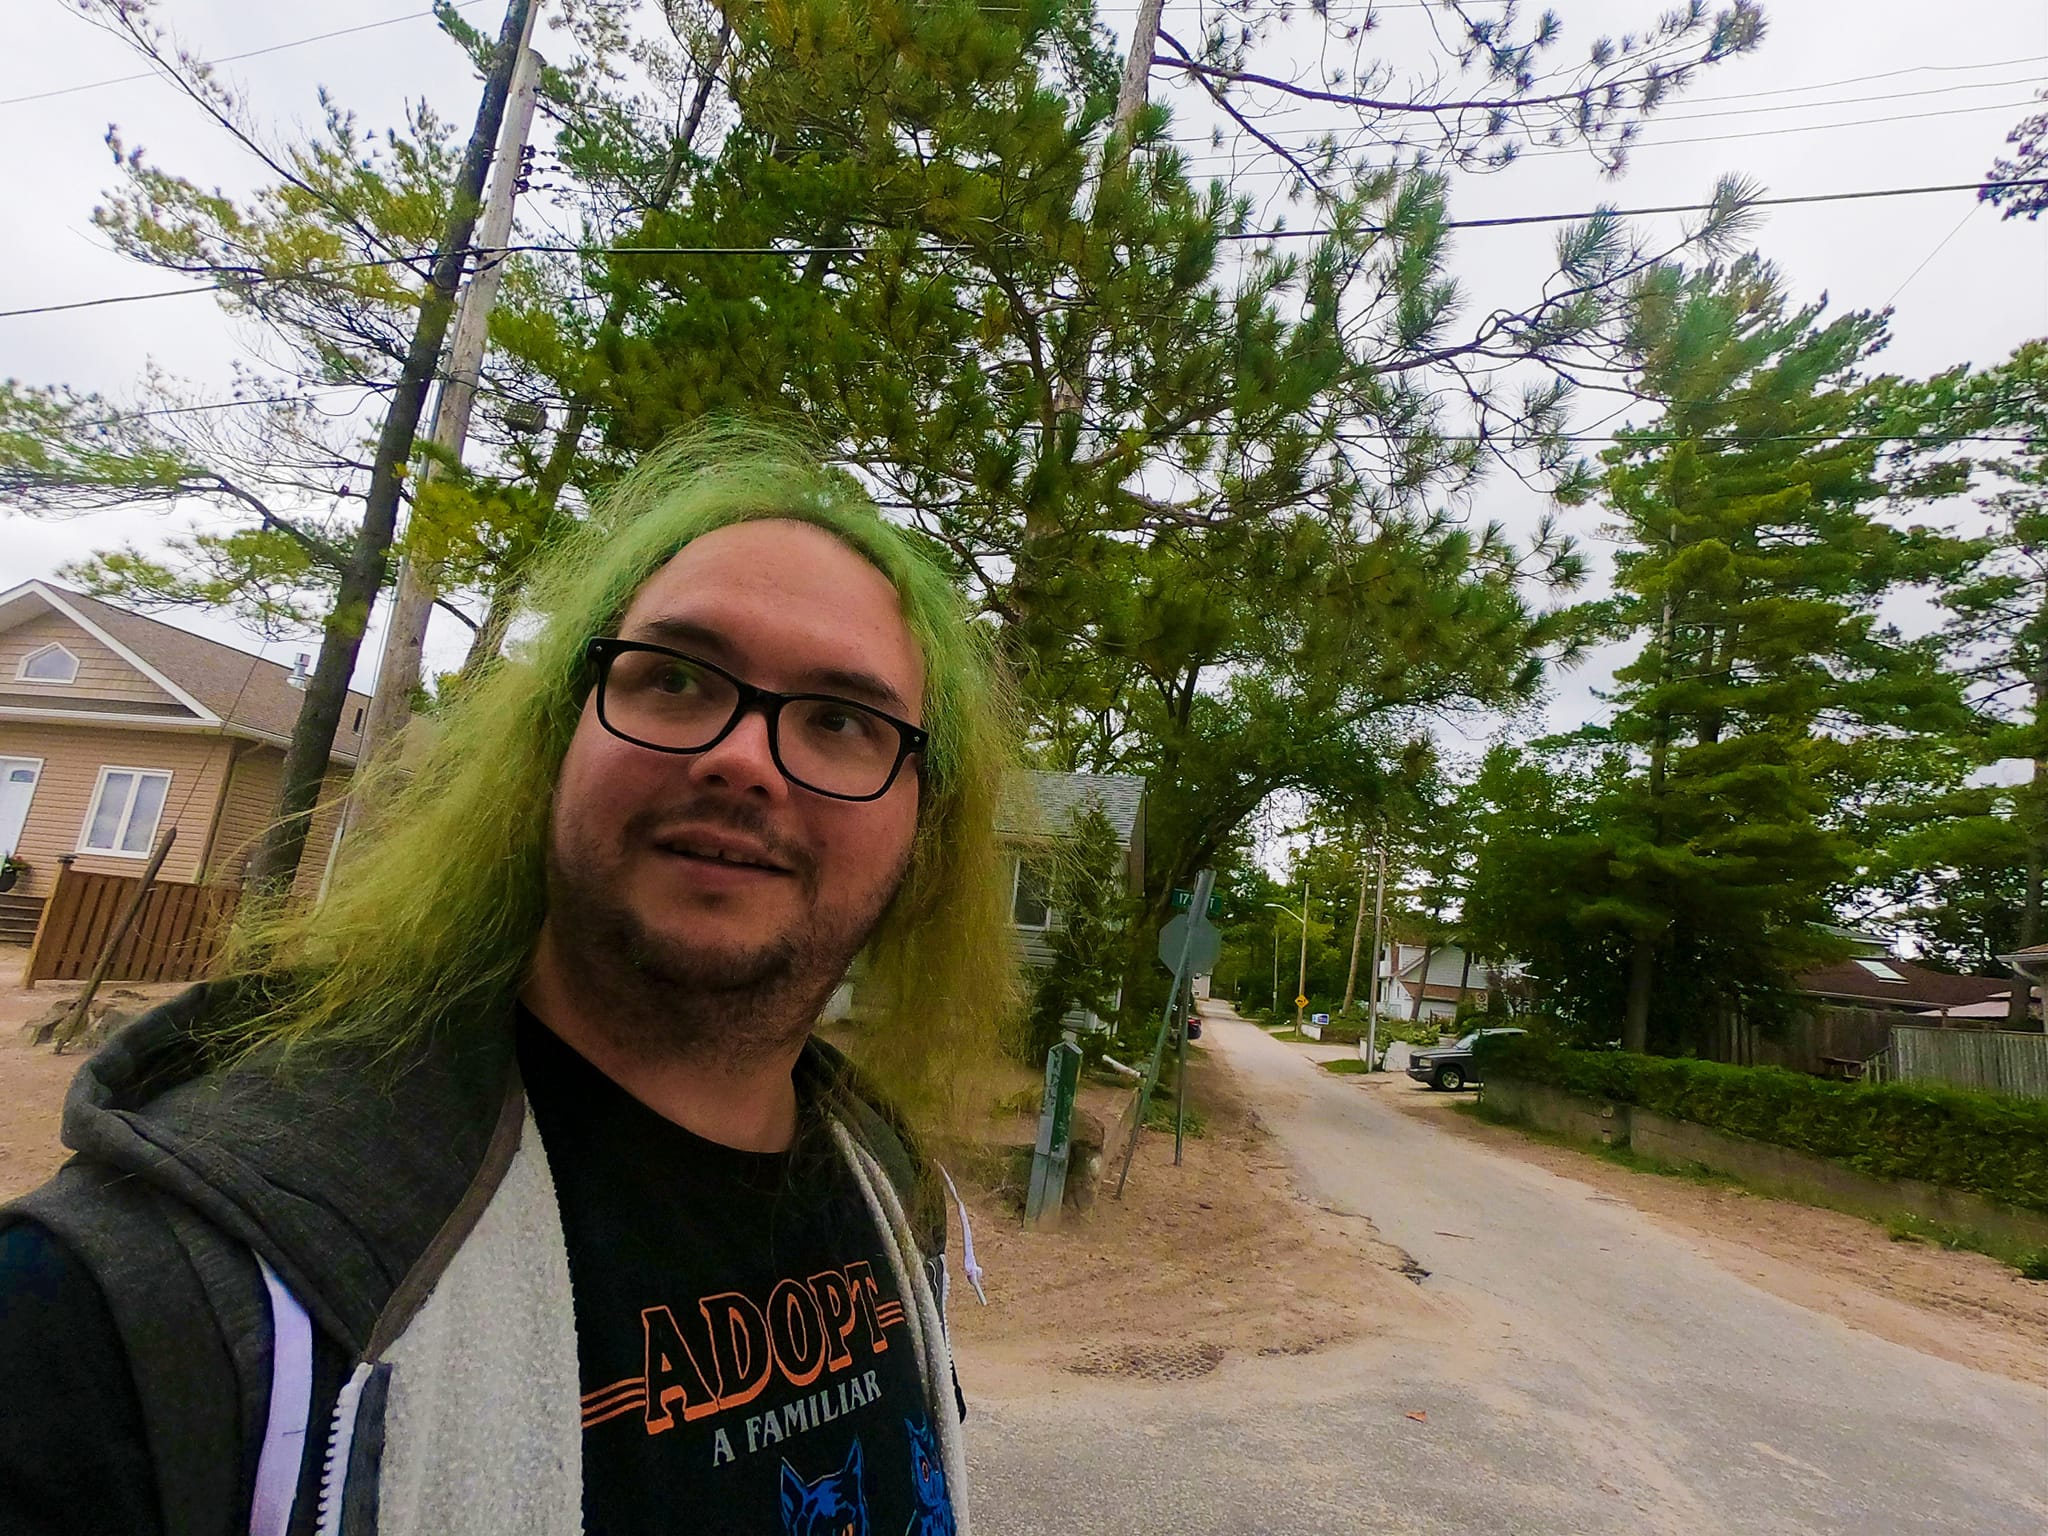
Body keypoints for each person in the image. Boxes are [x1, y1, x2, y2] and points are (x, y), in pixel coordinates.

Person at [0, 432, 1018, 1536]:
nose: (743, 758)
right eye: (673, 677)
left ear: (924, 834)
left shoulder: (890, 1192)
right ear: (554, 744)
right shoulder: (144, 1307)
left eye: (840, 721)